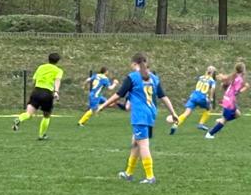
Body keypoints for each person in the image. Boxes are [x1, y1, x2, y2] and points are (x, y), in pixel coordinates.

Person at [92, 51, 178, 184]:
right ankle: (128, 173)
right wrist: (173, 112)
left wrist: (103, 105)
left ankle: (150, 177)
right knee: (135, 143)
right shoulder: (154, 78)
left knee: (143, 144)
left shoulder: (132, 77)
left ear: (134, 64)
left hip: (140, 115)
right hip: (150, 114)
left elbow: (118, 95)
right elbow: (163, 96)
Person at [13, 52, 63, 140]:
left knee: (28, 113)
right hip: (47, 93)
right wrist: (56, 92)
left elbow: (34, 80)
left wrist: (35, 90)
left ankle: (19, 119)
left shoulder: (41, 67)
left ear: (48, 59)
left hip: (36, 91)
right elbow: (57, 80)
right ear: (57, 61)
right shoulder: (58, 70)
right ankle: (41, 135)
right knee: (46, 115)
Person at [204, 62, 247, 138]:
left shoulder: (234, 76)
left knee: (237, 114)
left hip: (228, 99)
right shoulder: (239, 79)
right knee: (224, 120)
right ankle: (210, 134)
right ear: (243, 70)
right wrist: (245, 88)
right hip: (229, 101)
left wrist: (222, 79)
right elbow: (236, 92)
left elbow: (226, 82)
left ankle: (219, 121)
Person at [177, 65, 221, 134]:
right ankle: (201, 124)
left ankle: (176, 124)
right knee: (209, 108)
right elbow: (212, 90)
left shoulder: (201, 77)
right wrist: (211, 98)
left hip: (193, 96)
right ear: (213, 72)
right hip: (201, 98)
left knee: (186, 113)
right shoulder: (212, 81)